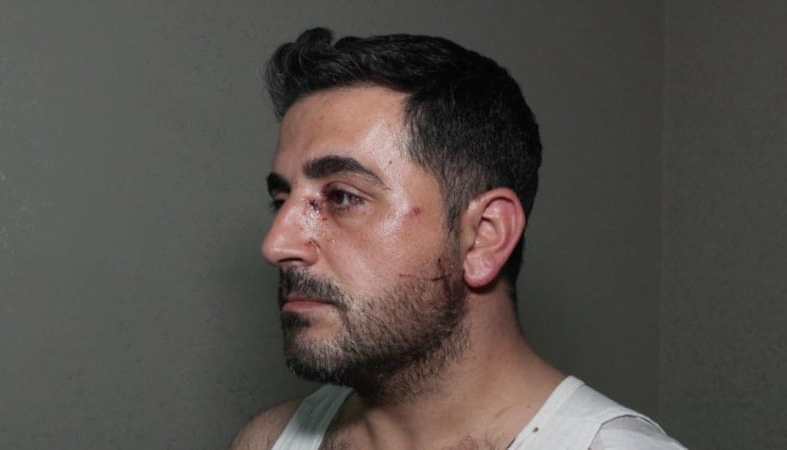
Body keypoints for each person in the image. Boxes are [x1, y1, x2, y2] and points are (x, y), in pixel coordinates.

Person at [232, 28, 684, 450]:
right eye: (281, 201)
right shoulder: (269, 440)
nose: (277, 245)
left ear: (484, 236)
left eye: (343, 197)